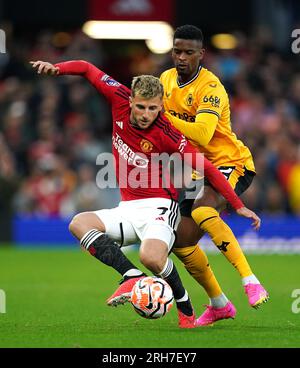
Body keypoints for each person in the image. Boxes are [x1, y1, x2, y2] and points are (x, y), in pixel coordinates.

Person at [31, 59, 260, 328]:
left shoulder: (168, 133)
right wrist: (57, 68)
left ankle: (184, 307)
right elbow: (86, 68)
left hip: (160, 207)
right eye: (140, 106)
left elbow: (207, 167)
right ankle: (130, 277)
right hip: (127, 207)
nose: (145, 114)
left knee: (150, 257)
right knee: (78, 223)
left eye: (153, 108)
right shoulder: (117, 96)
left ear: (161, 107)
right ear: (130, 100)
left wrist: (237, 204)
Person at [159, 25, 269, 322]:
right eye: (177, 51)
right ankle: (219, 303)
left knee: (202, 208)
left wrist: (163, 116)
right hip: (199, 169)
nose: (181, 57)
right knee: (181, 241)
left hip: (231, 163)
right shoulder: (165, 81)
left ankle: (250, 280)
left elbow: (203, 133)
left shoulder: (211, 88)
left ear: (201, 54)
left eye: (188, 52)